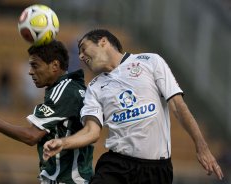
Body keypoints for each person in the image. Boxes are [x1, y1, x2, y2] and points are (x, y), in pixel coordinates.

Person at [42, 29, 224, 184]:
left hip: (156, 170)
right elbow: (92, 131)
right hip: (117, 166)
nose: (81, 56)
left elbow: (177, 106)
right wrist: (63, 143)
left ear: (103, 42)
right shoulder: (94, 87)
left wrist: (201, 146)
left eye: (84, 48)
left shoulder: (150, 61)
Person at [0, 40, 94, 184]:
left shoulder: (65, 91)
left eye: (35, 65)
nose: (30, 72)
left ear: (54, 65)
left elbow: (31, 136)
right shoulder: (73, 87)